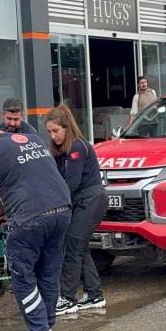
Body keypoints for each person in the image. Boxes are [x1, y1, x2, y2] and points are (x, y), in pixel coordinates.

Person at [0, 122, 71, 331]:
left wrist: (2, 213)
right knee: (49, 271)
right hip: (62, 209)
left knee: (22, 273)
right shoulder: (35, 138)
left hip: (29, 216)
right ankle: (47, 323)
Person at [45, 105, 108, 316]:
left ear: (67, 127)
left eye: (56, 130)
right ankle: (94, 294)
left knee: (72, 244)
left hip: (90, 200)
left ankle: (68, 298)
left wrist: (53, 206)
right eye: (49, 132)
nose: (53, 136)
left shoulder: (77, 147)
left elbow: (70, 183)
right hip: (83, 200)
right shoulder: (62, 150)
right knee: (79, 246)